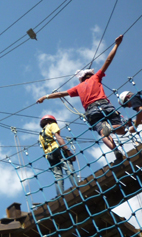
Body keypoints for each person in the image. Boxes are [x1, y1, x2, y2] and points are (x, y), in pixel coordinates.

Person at [37, 35, 126, 163]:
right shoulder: (96, 78)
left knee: (102, 134)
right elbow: (108, 61)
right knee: (122, 130)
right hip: (104, 105)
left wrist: (44, 97)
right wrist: (117, 44)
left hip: (91, 111)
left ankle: (116, 152)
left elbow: (61, 93)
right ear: (90, 75)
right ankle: (113, 127)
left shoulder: (78, 87)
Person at [39, 115, 78, 196]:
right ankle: (77, 186)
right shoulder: (52, 125)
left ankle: (59, 195)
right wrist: (67, 150)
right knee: (69, 169)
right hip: (57, 150)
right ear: (49, 121)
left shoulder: (40, 135)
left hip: (49, 156)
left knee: (58, 176)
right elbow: (58, 137)